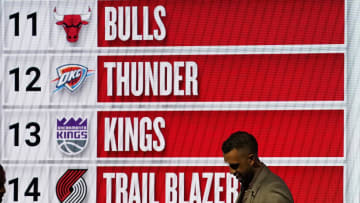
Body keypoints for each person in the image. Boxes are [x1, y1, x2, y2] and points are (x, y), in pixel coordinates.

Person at [222, 131, 293, 203]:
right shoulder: (248, 184)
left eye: (235, 166)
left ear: (251, 159)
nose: (231, 171)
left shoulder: (272, 193)